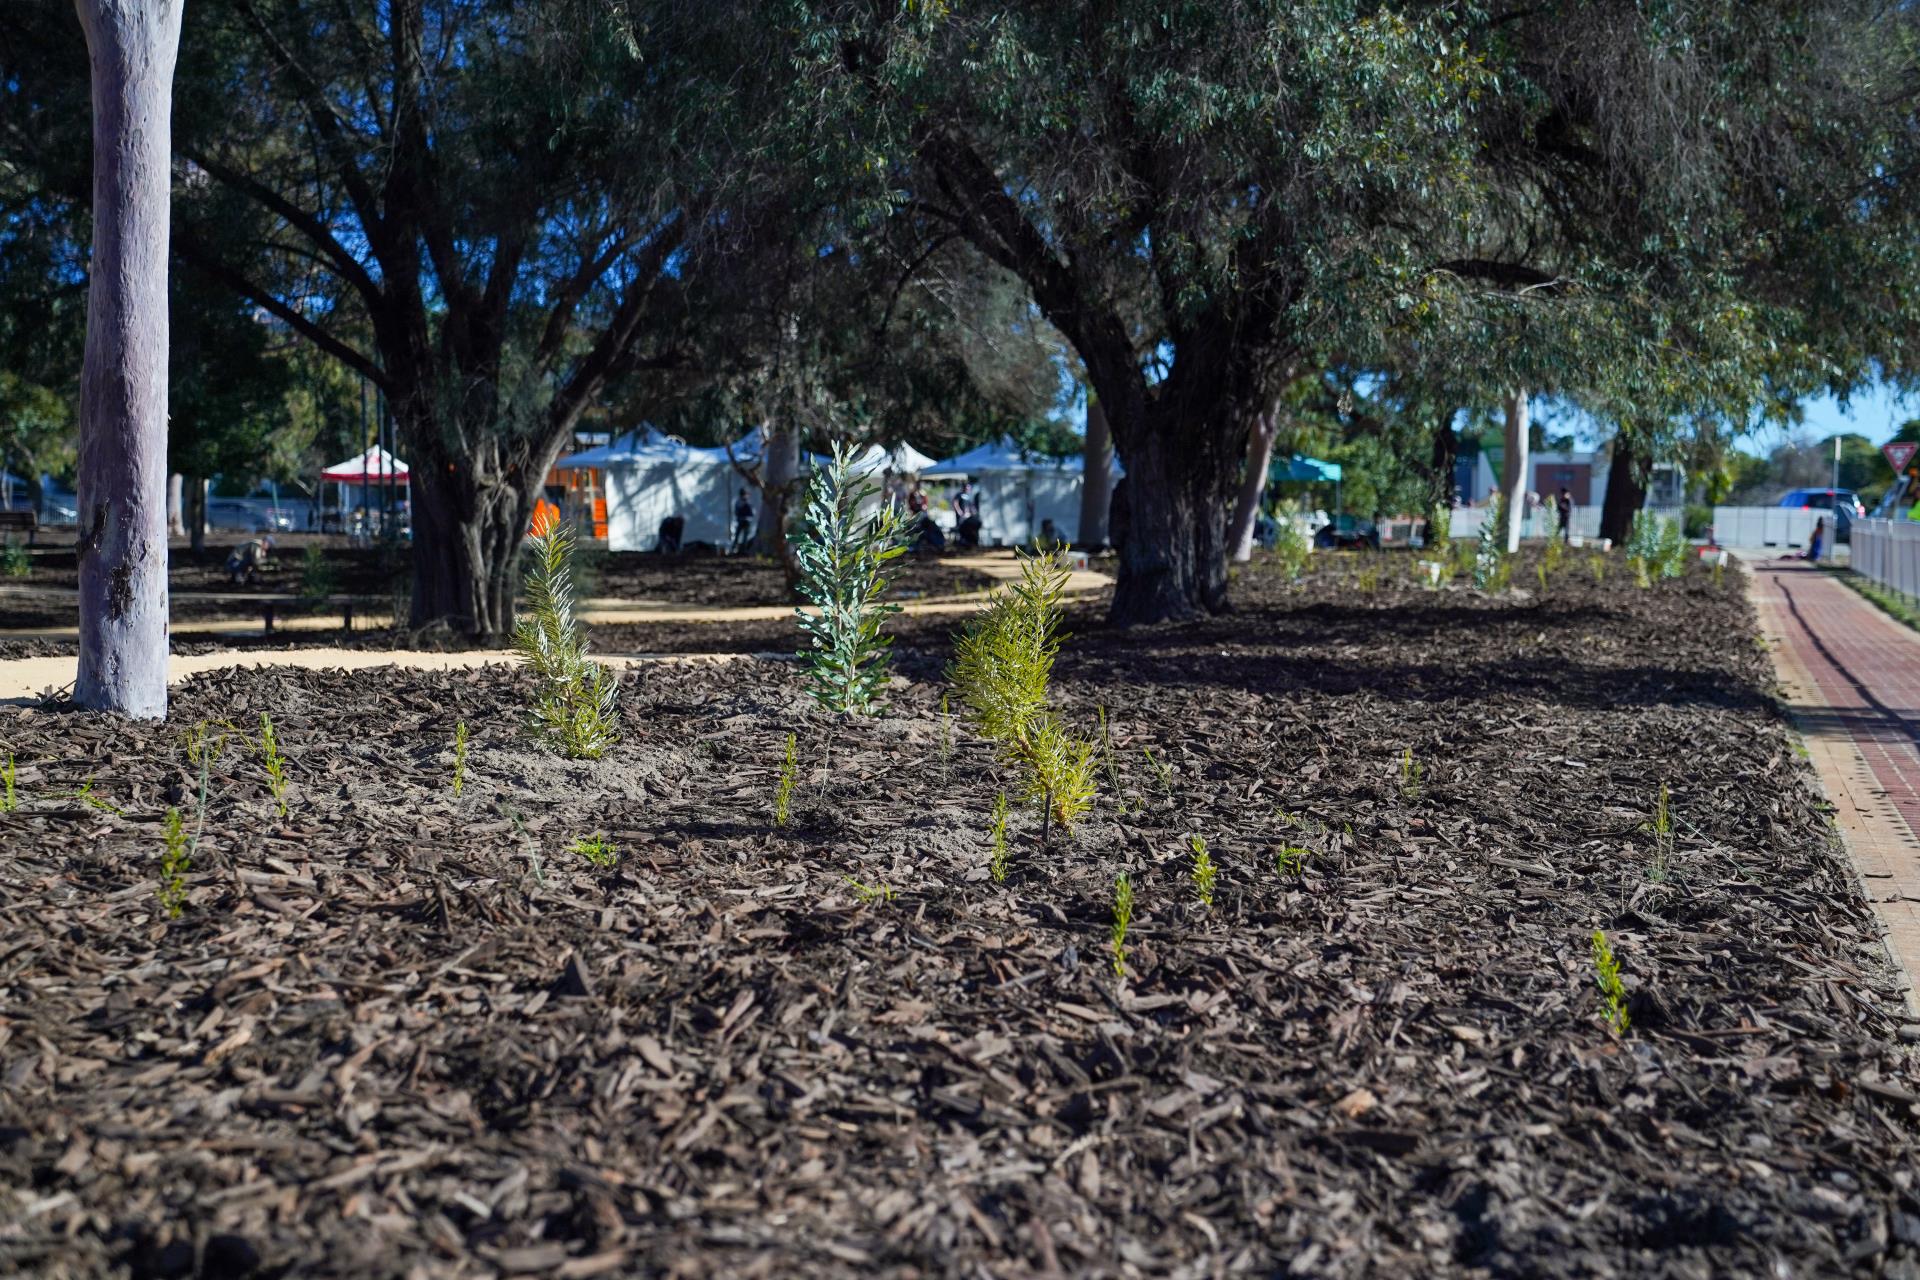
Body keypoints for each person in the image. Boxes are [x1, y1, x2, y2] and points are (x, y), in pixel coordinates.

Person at [952, 480, 982, 548]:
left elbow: (971, 506)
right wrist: (959, 512)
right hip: (961, 517)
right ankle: (962, 542)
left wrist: (973, 513)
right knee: (961, 529)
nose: (968, 489)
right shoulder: (959, 495)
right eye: (967, 487)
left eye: (969, 488)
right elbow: (955, 503)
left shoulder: (968, 496)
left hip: (967, 517)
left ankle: (969, 542)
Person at [730, 487, 755, 554]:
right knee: (738, 536)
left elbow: (752, 512)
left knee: (745, 537)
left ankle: (743, 550)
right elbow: (737, 511)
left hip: (747, 521)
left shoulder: (747, 501)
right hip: (741, 520)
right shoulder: (739, 502)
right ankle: (734, 549)